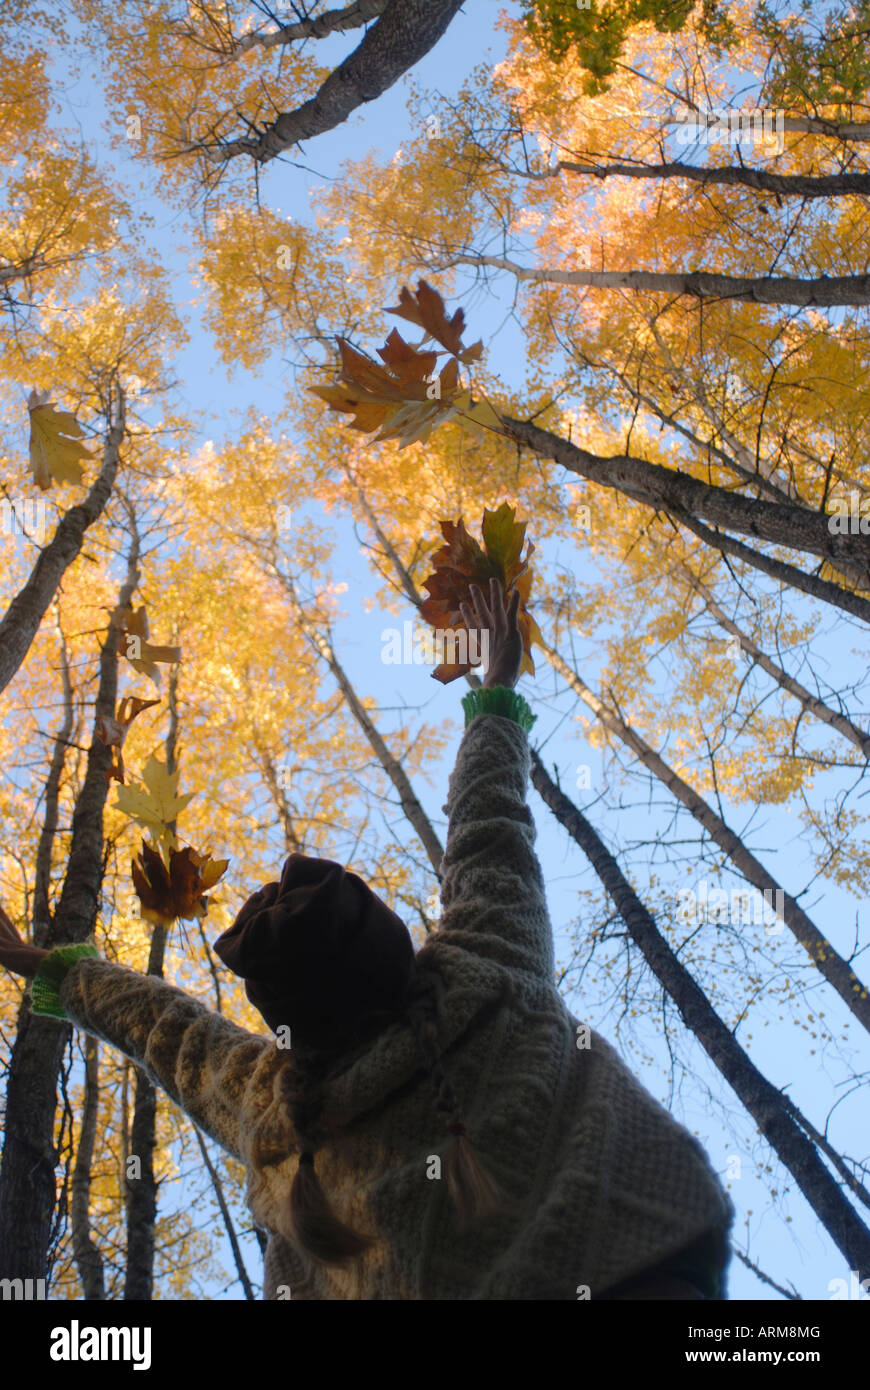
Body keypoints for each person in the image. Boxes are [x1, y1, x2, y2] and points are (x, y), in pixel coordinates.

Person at [0, 579, 732, 1299]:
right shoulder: (485, 969)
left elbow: (165, 1031)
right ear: (401, 949)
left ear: (282, 1017)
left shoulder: (276, 1116)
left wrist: (37, 964)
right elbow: (488, 822)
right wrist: (497, 681)